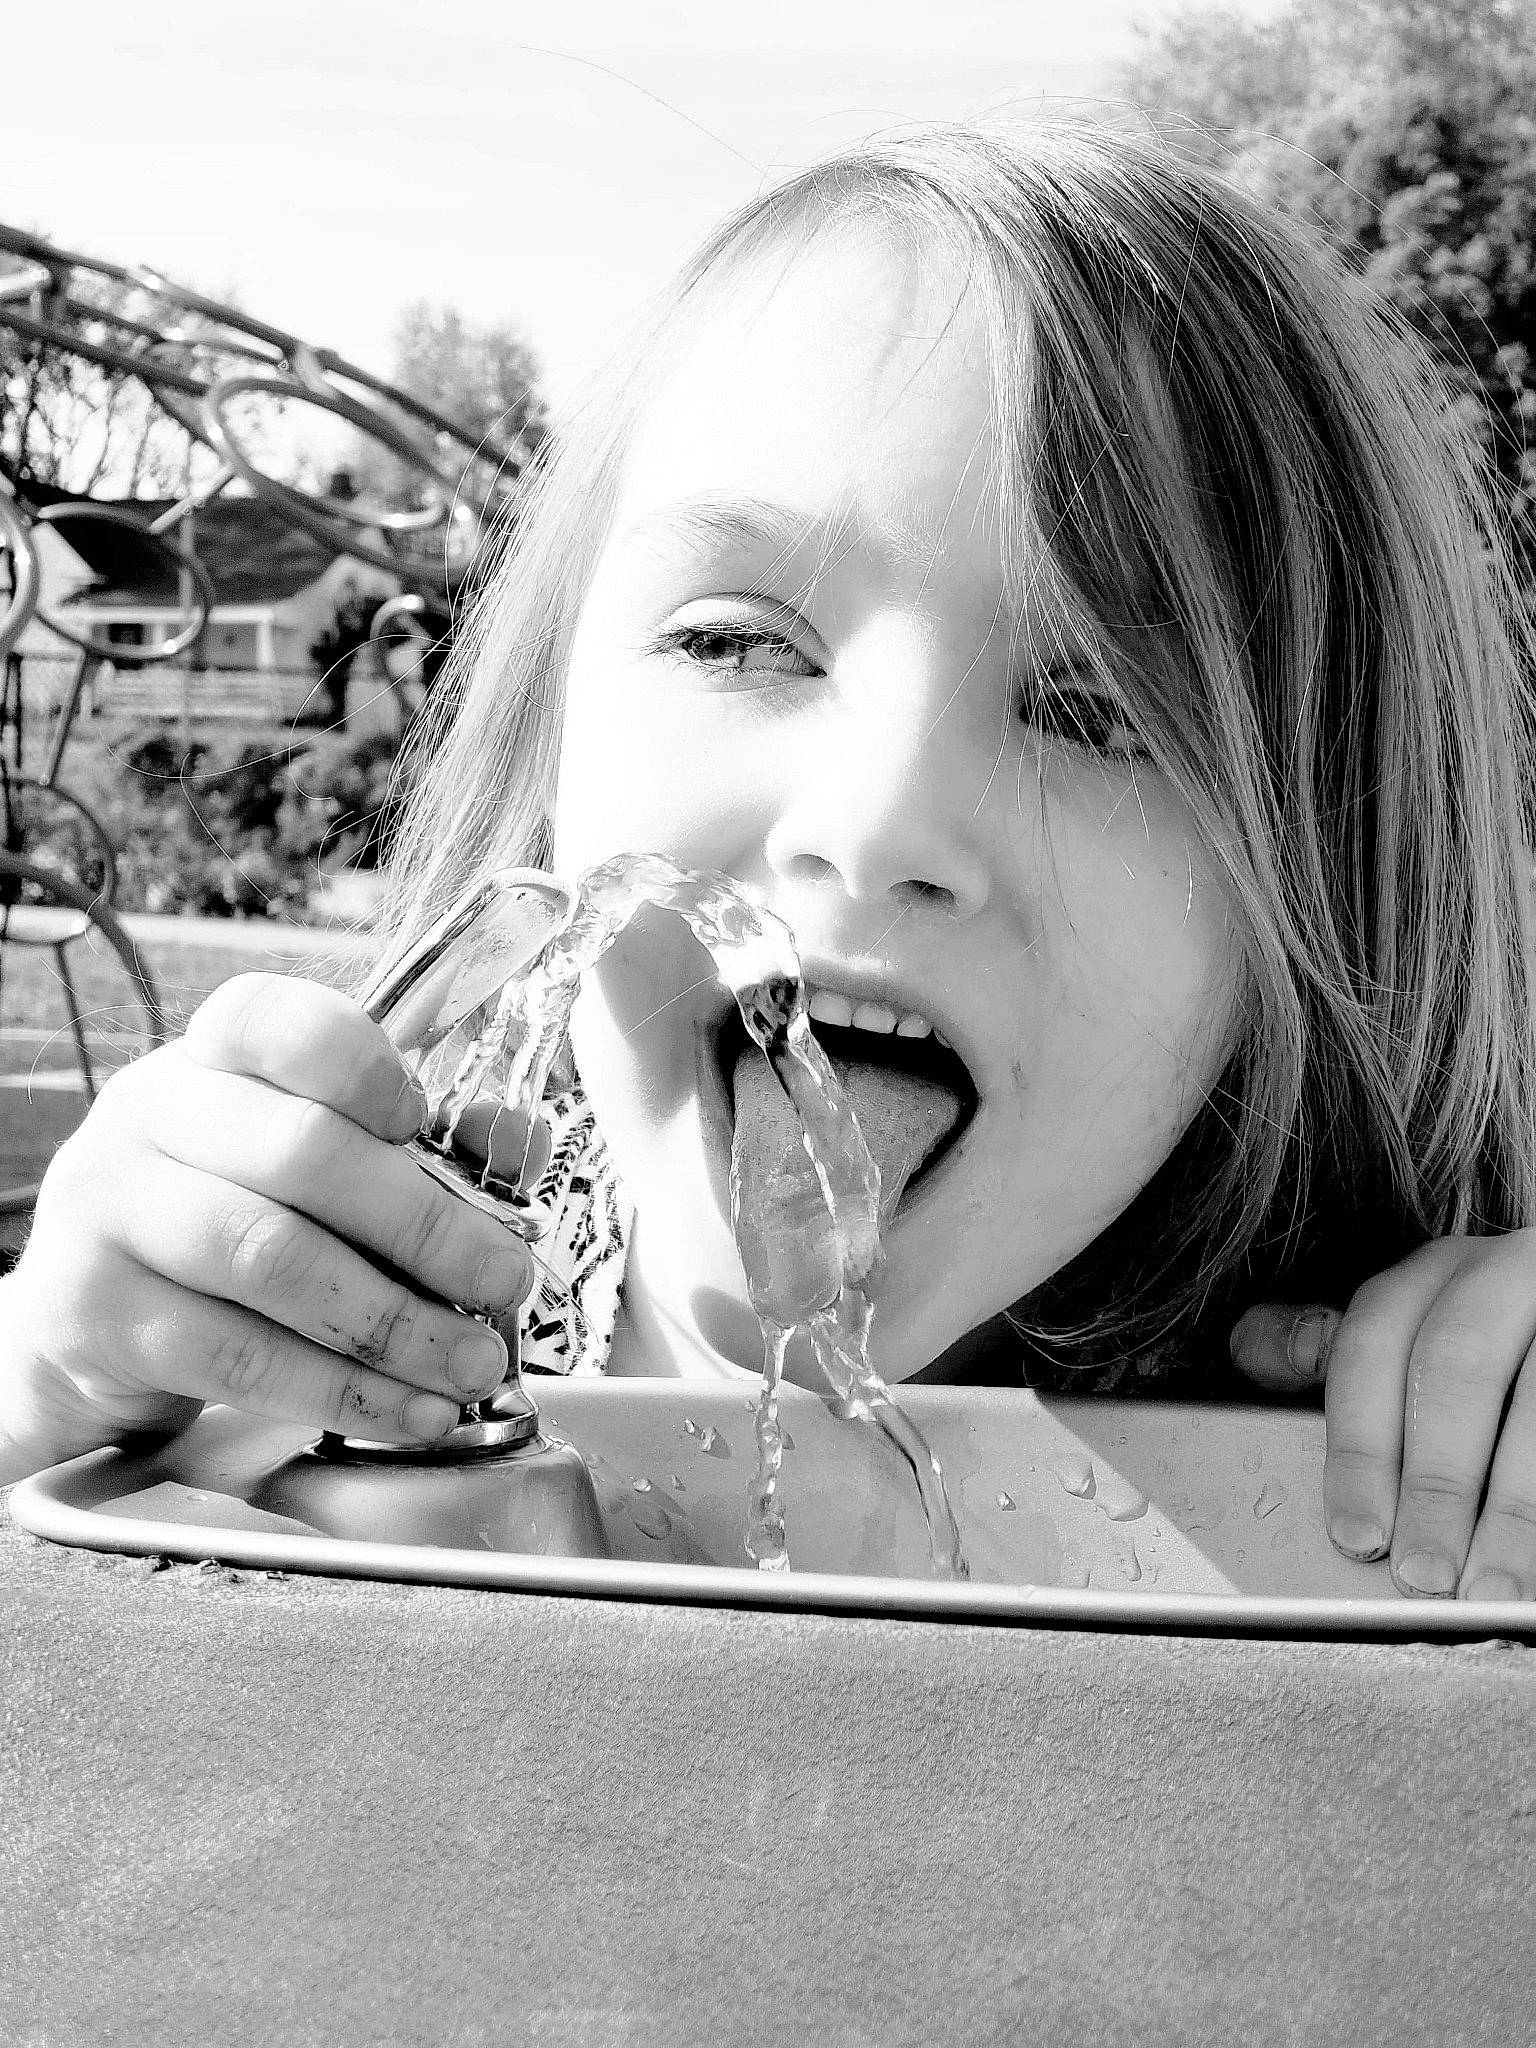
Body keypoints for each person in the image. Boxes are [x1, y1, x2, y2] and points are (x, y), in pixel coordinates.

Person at [2, 117, 1533, 1605]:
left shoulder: (1391, 1457)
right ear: (547, 748)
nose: (872, 829)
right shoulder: (274, 1364)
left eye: (1101, 712)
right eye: (738, 641)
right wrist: (51, 1394)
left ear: (1337, 897)